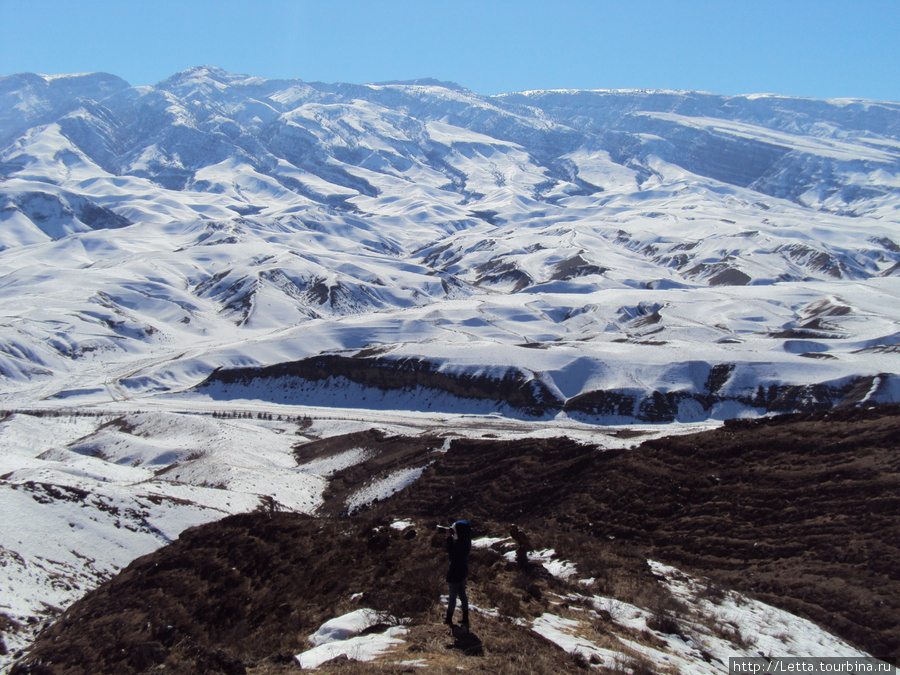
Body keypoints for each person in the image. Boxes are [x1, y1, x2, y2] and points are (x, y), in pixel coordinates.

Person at [441, 519, 472, 627]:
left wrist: (449, 538)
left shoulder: (459, 545)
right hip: (463, 570)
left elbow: (452, 553)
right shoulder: (466, 541)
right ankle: (465, 618)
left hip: (455, 571)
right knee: (462, 594)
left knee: (452, 596)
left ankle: (449, 619)